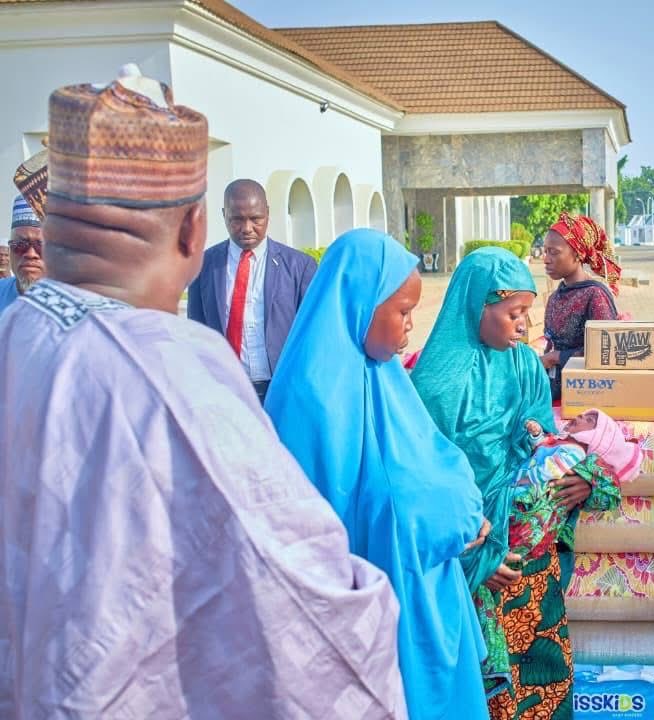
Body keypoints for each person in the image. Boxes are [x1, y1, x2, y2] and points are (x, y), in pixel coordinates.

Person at [0, 66, 405, 718]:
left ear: (55, 227)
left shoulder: (15, 331)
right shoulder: (169, 368)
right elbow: (301, 600)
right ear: (195, 232)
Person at [265, 229, 491, 719]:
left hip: (424, 589)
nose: (410, 326)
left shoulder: (385, 375)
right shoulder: (310, 398)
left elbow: (435, 456)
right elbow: (337, 518)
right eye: (402, 312)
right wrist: (448, 514)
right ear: (360, 304)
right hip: (370, 613)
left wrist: (465, 508)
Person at [412, 248, 620, 717]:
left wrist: (576, 478)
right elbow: (425, 486)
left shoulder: (526, 366)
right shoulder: (433, 386)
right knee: (482, 688)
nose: (525, 325)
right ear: (477, 307)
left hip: (529, 558)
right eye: (514, 313)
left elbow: (543, 443)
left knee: (544, 675)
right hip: (468, 560)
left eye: (527, 312)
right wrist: (474, 551)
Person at [187, 178, 317, 403]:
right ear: (223, 214)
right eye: (236, 219)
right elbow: (196, 330)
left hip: (283, 391)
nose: (247, 228)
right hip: (226, 391)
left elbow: (312, 335)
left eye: (255, 219)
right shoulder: (204, 265)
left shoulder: (300, 267)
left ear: (267, 213)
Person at [512, 410, 640, 561]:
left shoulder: (578, 456)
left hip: (527, 496)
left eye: (590, 420)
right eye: (584, 415)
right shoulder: (559, 442)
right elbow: (542, 447)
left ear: (597, 437)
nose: (580, 416)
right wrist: (537, 435)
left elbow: (551, 469)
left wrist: (589, 484)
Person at [540, 213, 621, 400]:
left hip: (587, 393)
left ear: (577, 254)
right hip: (552, 389)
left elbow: (606, 352)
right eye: (545, 251)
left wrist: (555, 357)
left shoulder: (595, 295)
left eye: (554, 252)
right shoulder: (555, 297)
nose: (545, 259)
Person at [0, 195, 45, 313]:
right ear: (10, 248)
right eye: (20, 245)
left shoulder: (77, 306)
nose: (30, 254)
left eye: (40, 245)